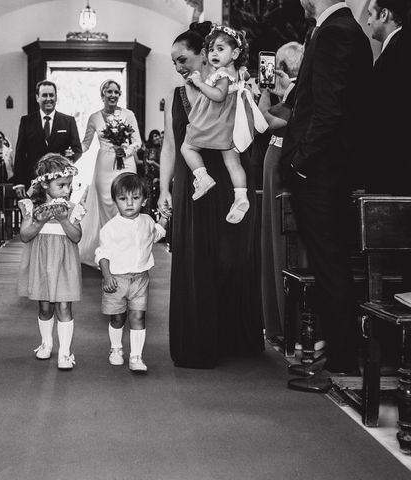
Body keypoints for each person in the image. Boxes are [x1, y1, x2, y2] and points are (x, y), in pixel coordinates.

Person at [158, 21, 265, 369]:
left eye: (183, 59)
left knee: (232, 258)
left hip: (229, 180)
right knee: (197, 261)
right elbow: (170, 148)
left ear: (204, 55)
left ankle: (234, 337)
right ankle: (198, 341)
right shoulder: (176, 97)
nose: (178, 67)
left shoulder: (229, 84)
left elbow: (252, 127)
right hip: (194, 187)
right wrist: (163, 189)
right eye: (174, 62)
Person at [281, 0, 372, 392]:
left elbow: (329, 109)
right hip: (327, 169)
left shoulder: (336, 31)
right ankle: (339, 355)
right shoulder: (334, 28)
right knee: (328, 263)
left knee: (330, 263)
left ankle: (341, 361)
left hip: (323, 172)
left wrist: (302, 162)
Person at [180, 25, 267, 224]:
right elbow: (241, 81)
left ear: (235, 53)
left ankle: (202, 178)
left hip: (215, 121)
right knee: (232, 162)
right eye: (211, 49)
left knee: (188, 147)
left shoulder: (221, 75)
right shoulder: (238, 72)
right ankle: (241, 196)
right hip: (230, 123)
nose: (214, 53)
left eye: (220, 49)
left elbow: (218, 96)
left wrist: (199, 84)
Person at [17, 154, 86, 371]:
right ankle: (46, 343)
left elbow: (76, 237)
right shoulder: (31, 206)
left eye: (69, 185)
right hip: (42, 263)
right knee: (45, 307)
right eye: (62, 185)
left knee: (64, 306)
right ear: (45, 184)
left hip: (65, 264)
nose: (67, 190)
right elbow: (25, 236)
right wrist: (41, 220)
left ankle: (65, 352)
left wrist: (64, 219)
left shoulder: (73, 208)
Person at [95, 173, 169, 373]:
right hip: (116, 280)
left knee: (138, 316)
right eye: (123, 198)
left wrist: (163, 219)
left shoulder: (146, 220)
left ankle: (136, 356)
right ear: (115, 201)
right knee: (117, 318)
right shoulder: (110, 228)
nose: (129, 203)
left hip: (140, 279)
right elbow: (102, 253)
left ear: (144, 200)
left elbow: (156, 235)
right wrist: (107, 276)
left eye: (135, 198)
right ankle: (116, 349)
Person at [257, 41, 304, 341]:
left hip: (279, 165)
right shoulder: (290, 93)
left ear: (283, 70)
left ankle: (284, 321)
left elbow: (264, 122)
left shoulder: (295, 94)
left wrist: (262, 91)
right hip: (276, 163)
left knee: (279, 238)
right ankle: (278, 318)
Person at [78, 79, 143, 266]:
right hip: (104, 165)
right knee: (107, 206)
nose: (113, 95)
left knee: (126, 204)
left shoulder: (128, 114)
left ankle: (127, 253)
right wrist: (71, 150)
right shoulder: (94, 118)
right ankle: (109, 254)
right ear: (102, 95)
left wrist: (127, 151)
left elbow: (137, 141)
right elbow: (85, 144)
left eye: (116, 92)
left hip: (126, 165)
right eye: (109, 92)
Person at [13, 80, 82, 199]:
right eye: (44, 95)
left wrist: (63, 164)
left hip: (60, 182)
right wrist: (19, 182)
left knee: (60, 215)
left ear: (56, 97)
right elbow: (20, 154)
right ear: (37, 97)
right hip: (33, 181)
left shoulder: (68, 121)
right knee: (35, 215)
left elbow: (77, 150)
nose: (48, 99)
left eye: (51, 95)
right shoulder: (26, 121)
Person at [364, 0, 405, 194]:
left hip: (393, 169)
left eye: (371, 14)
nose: (369, 21)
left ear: (384, 14)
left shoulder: (396, 54)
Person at [141, 130, 162, 217]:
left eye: (157, 135)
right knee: (148, 200)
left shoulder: (162, 149)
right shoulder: (149, 150)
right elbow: (145, 164)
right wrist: (149, 177)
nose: (157, 137)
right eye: (154, 136)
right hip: (150, 178)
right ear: (151, 139)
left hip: (161, 177)